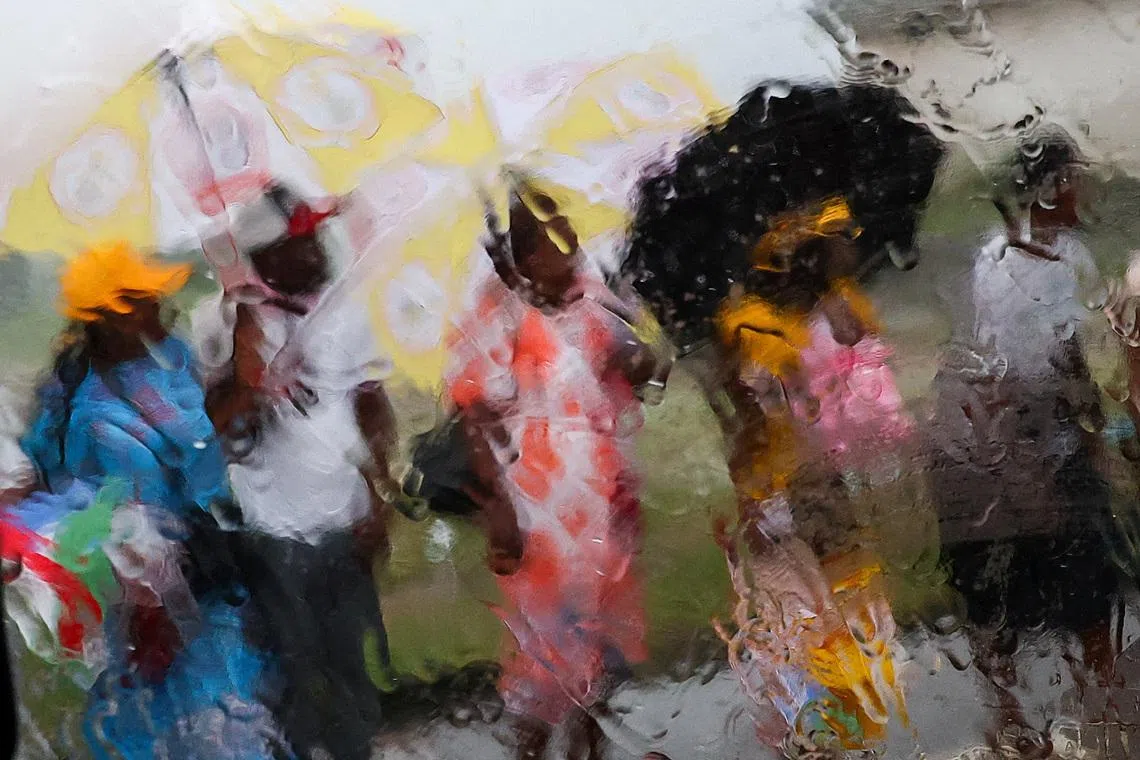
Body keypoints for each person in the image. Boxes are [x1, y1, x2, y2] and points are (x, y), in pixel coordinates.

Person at [623, 81, 945, 754]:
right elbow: (750, 417)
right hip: (782, 507)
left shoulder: (826, 305)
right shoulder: (746, 323)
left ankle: (841, 733)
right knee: (810, 649)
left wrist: (826, 279)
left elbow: (854, 329)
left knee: (854, 641)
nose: (836, 247)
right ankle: (822, 736)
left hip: (825, 497)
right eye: (815, 243)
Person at [6, 242, 286, 759]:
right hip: (159, 589)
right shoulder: (94, 415)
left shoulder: (164, 356)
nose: (161, 306)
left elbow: (195, 432)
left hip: (199, 571)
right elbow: (150, 498)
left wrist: (239, 371)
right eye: (144, 299)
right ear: (111, 317)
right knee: (191, 720)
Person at [444, 176, 671, 760]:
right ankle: (532, 751)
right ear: (522, 252)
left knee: (601, 655)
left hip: (602, 500)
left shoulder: (594, 299)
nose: (568, 243)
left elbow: (643, 372)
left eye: (567, 228)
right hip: (535, 511)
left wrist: (642, 358)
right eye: (550, 236)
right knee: (544, 658)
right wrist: (496, 511)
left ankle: (590, 751)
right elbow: (473, 413)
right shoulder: (497, 315)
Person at [926, 128, 1116, 756]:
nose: (1082, 187)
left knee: (1081, 578)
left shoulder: (1058, 253)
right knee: (1020, 579)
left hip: (1038, 438)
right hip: (1015, 447)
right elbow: (1051, 358)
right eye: (1074, 177)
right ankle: (1020, 711)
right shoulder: (1009, 262)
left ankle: (1092, 697)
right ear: (1052, 186)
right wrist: (1089, 427)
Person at [192, 184, 396, 760]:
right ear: (263, 257)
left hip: (345, 520)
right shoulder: (219, 323)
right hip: (270, 533)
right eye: (298, 243)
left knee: (351, 669)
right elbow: (209, 434)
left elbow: (372, 403)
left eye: (314, 238)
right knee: (288, 678)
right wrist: (243, 374)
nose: (315, 253)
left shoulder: (344, 306)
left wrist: (379, 496)